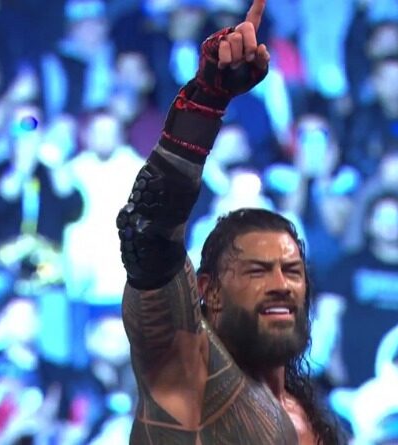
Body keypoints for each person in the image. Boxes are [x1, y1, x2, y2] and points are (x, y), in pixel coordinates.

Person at [115, 2, 342, 443]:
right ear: (208, 290)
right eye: (256, 271)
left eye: (291, 271)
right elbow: (147, 232)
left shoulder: (307, 414)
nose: (280, 285)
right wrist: (205, 100)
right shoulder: (180, 375)